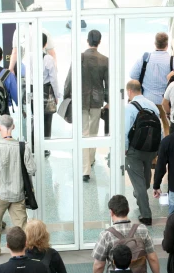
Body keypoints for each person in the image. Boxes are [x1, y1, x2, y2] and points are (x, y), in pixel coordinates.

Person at [0, 114, 36, 257]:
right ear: (13, 127)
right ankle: (23, 250)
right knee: (21, 225)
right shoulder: (23, 146)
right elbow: (32, 169)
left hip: (0, 193)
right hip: (18, 193)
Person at [92, 194, 161, 273]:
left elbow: (99, 265)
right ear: (128, 210)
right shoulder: (142, 230)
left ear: (111, 212)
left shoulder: (106, 235)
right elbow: (152, 257)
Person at [124, 80, 161, 226]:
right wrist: (159, 149)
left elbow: (125, 130)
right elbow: (160, 129)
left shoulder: (129, 108)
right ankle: (140, 193)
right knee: (145, 179)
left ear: (129, 91)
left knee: (139, 183)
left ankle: (146, 215)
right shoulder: (152, 105)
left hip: (135, 150)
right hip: (151, 150)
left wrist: (125, 150)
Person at [128, 33, 174, 136]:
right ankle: (164, 150)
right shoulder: (173, 61)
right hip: (166, 101)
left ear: (155, 43)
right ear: (167, 44)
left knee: (148, 127)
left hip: (147, 100)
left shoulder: (145, 59)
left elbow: (132, 75)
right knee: (167, 127)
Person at [81, 29, 110, 182]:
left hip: (82, 100)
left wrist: (66, 95)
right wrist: (109, 101)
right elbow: (108, 83)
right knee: (92, 132)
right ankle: (90, 160)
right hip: (97, 100)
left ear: (87, 40)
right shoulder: (104, 60)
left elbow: (70, 79)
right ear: (99, 42)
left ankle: (86, 169)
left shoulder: (80, 57)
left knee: (84, 133)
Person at [42, 33, 62, 142]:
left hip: (32, 91)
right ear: (45, 44)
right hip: (46, 91)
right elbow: (53, 79)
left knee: (34, 118)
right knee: (47, 118)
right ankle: (46, 145)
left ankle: (34, 145)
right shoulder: (48, 58)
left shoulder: (29, 57)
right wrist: (56, 94)